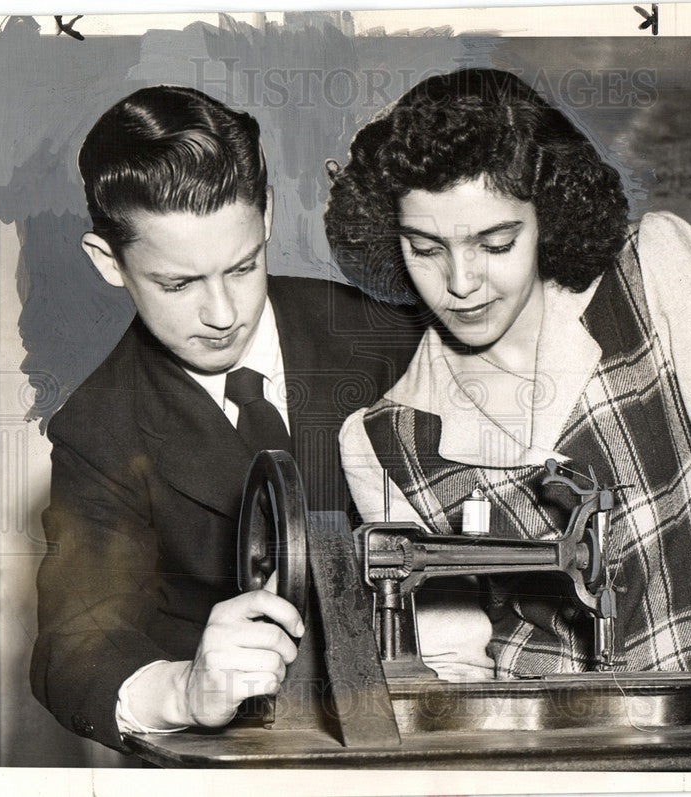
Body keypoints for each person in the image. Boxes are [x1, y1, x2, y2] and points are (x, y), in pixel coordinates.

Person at [326, 68, 691, 727]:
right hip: (551, 754)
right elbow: (456, 669)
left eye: (496, 243)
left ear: (548, 216)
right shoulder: (383, 443)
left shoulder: (651, 272)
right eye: (426, 248)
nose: (460, 283)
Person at [31, 85, 420, 751]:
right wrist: (186, 687)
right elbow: (74, 644)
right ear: (108, 261)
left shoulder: (388, 336)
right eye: (178, 284)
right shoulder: (95, 429)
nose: (221, 313)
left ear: (265, 215)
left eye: (242, 267)